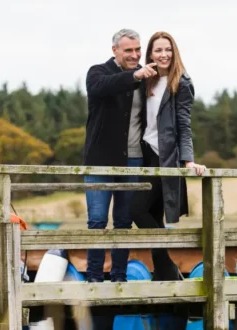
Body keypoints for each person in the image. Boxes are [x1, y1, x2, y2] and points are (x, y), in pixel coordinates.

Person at [82, 28, 159, 283]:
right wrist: (134, 75)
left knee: (124, 221)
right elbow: (100, 88)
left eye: (138, 50)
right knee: (97, 221)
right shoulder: (98, 72)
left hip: (134, 159)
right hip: (100, 162)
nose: (135, 54)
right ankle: (94, 278)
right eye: (129, 50)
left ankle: (119, 277)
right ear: (114, 50)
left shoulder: (147, 79)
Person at [131, 31, 206, 282]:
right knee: (152, 217)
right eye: (158, 50)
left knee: (137, 211)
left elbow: (184, 125)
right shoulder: (146, 81)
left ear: (174, 52)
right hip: (143, 154)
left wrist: (188, 160)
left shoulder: (181, 82)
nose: (163, 55)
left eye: (168, 50)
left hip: (165, 158)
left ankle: (168, 270)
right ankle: (167, 276)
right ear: (150, 54)